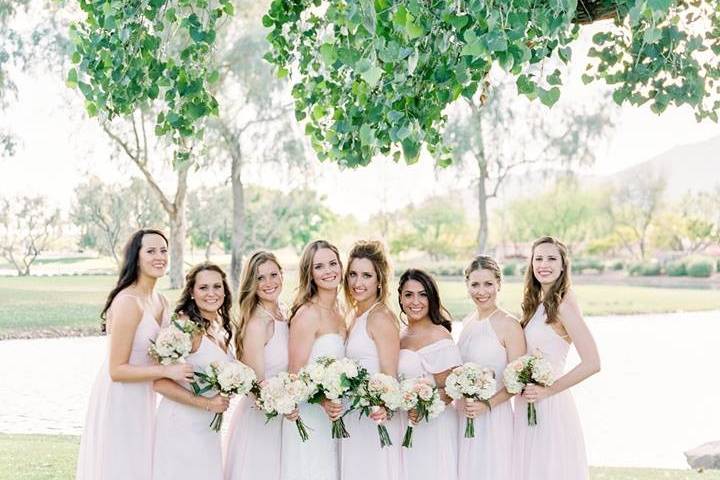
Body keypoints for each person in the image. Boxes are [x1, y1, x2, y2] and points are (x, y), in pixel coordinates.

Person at [76, 229, 193, 480]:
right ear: (136, 257)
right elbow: (116, 370)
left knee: (142, 465)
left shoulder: (161, 301)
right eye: (151, 251)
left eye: (163, 250)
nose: (159, 256)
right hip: (121, 397)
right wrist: (165, 371)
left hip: (145, 394)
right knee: (122, 464)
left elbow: (165, 352)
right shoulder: (128, 301)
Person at [512, 236, 601, 480]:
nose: (544, 264)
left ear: (563, 265)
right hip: (527, 402)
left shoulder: (563, 305)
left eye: (552, 258)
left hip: (550, 404)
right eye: (538, 258)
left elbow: (593, 362)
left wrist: (548, 390)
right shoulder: (538, 304)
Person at [152, 263, 234, 480]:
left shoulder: (221, 327)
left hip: (208, 426)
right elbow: (159, 382)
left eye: (217, 286)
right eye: (203, 287)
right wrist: (207, 403)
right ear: (191, 292)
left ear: (225, 290)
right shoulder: (182, 328)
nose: (211, 293)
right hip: (181, 424)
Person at [281, 240, 346, 480]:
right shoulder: (307, 314)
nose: (329, 271)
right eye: (319, 266)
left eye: (333, 263)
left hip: (337, 414)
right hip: (310, 417)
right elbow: (294, 376)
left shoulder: (341, 310)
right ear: (310, 273)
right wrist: (322, 402)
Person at [457, 255, 525, 480]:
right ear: (467, 285)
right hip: (465, 415)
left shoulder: (509, 324)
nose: (481, 291)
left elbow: (517, 382)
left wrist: (486, 405)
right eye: (475, 284)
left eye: (488, 284)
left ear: (498, 284)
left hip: (495, 417)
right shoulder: (467, 322)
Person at [225, 252, 289, 480]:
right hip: (264, 418)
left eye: (273, 274)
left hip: (286, 414)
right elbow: (257, 386)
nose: (269, 282)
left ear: (282, 275)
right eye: (260, 278)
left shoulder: (284, 313)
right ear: (252, 283)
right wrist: (285, 404)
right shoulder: (257, 323)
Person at [341, 240, 401, 480]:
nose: (358, 282)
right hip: (351, 414)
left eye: (366, 275)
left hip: (374, 417)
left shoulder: (380, 318)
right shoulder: (353, 314)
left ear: (379, 280)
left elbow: (389, 375)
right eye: (353, 274)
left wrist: (382, 406)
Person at [397, 269, 461, 480]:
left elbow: (451, 390)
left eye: (422, 294)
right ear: (400, 298)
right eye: (409, 294)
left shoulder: (439, 335)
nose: (415, 301)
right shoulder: (400, 335)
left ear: (431, 298)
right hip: (405, 424)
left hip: (434, 426)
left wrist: (422, 404)